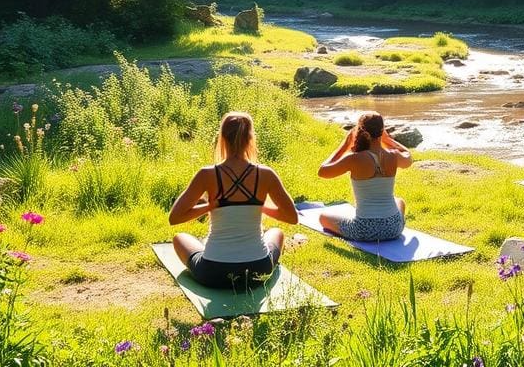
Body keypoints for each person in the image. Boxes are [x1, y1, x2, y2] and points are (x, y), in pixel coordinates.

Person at [169, 111, 298, 289]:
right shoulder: (266, 174)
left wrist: (210, 206)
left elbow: (174, 218)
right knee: (277, 232)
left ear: (222, 138)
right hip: (257, 272)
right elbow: (292, 217)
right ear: (250, 138)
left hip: (213, 273)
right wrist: (261, 206)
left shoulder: (207, 174)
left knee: (179, 238)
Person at [317, 113, 411, 241]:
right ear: (382, 131)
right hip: (393, 229)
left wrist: (345, 145)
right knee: (399, 201)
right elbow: (408, 156)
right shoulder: (394, 155)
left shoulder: (354, 158)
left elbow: (322, 171)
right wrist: (387, 139)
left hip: (363, 230)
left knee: (323, 217)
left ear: (362, 132)